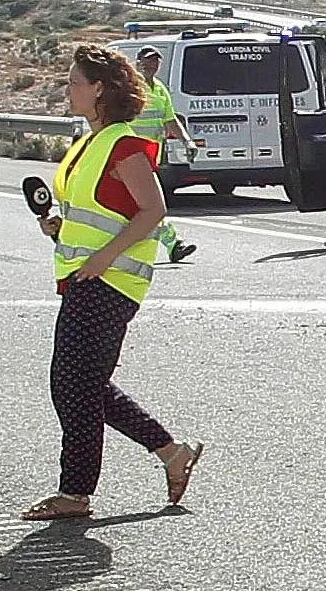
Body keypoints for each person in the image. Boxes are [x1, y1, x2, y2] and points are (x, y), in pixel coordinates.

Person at [23, 42, 202, 518]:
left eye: (74, 83)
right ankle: (171, 452)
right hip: (83, 275)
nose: (67, 91)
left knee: (74, 384)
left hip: (112, 279)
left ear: (99, 89)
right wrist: (59, 227)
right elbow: (100, 209)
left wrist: (103, 257)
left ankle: (75, 494)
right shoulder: (87, 142)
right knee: (80, 383)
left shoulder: (123, 143)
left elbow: (154, 211)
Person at [134, 55, 197, 265]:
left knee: (145, 207)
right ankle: (173, 244)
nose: (151, 65)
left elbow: (170, 120)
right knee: (151, 205)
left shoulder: (160, 89)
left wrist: (187, 141)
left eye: (155, 62)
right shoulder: (131, 88)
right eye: (147, 61)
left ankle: (170, 245)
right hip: (130, 158)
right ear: (137, 62)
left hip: (151, 158)